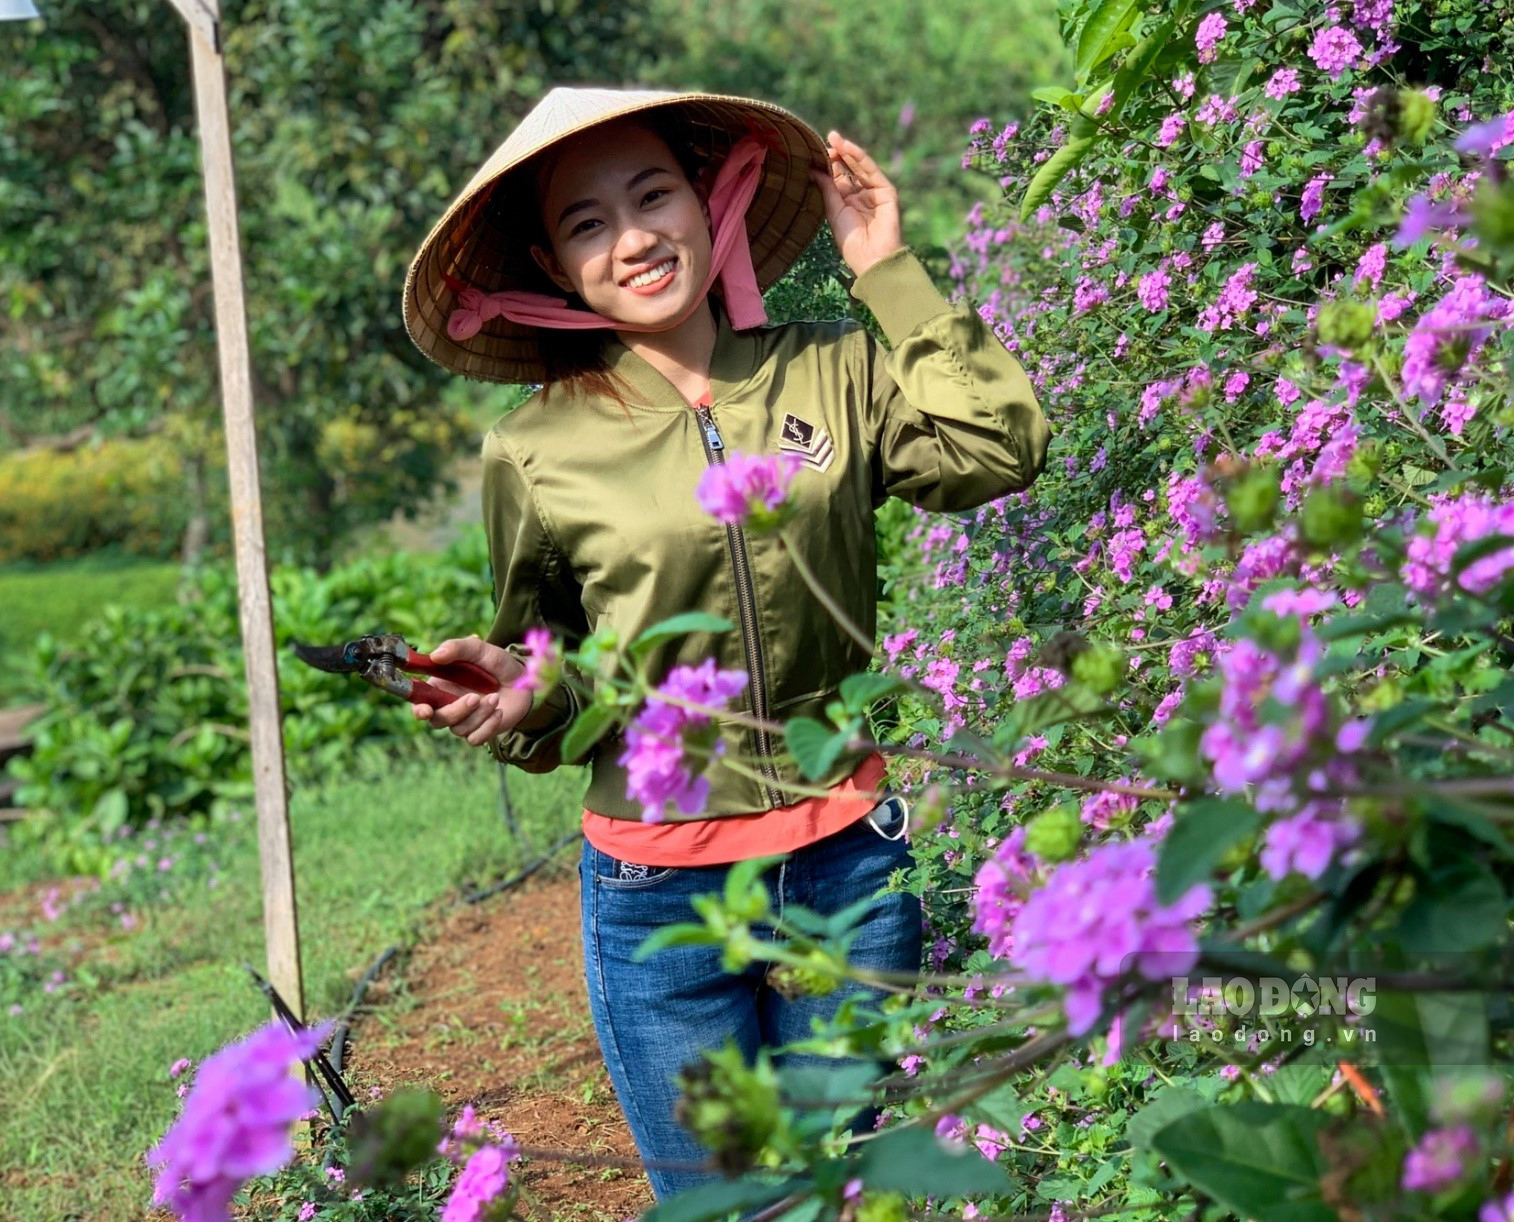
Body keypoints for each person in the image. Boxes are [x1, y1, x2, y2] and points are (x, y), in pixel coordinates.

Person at [399, 86, 1049, 1199]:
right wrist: (518, 695)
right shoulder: (536, 448)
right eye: (587, 222)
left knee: (861, 1185)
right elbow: (557, 681)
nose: (635, 237)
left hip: (849, 861)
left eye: (655, 194)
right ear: (556, 268)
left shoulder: (832, 368)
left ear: (712, 204)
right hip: (663, 901)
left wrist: (886, 270)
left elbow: (997, 447)